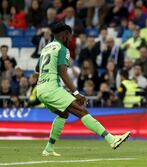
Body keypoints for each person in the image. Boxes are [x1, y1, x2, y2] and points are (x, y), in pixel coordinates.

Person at [36, 23, 130, 156]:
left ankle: (49, 149)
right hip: (52, 88)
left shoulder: (46, 48)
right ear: (64, 35)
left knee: (63, 114)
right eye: (69, 36)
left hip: (40, 89)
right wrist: (76, 93)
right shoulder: (62, 49)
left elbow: (36, 68)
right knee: (82, 111)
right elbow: (63, 73)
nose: (70, 40)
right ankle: (112, 139)